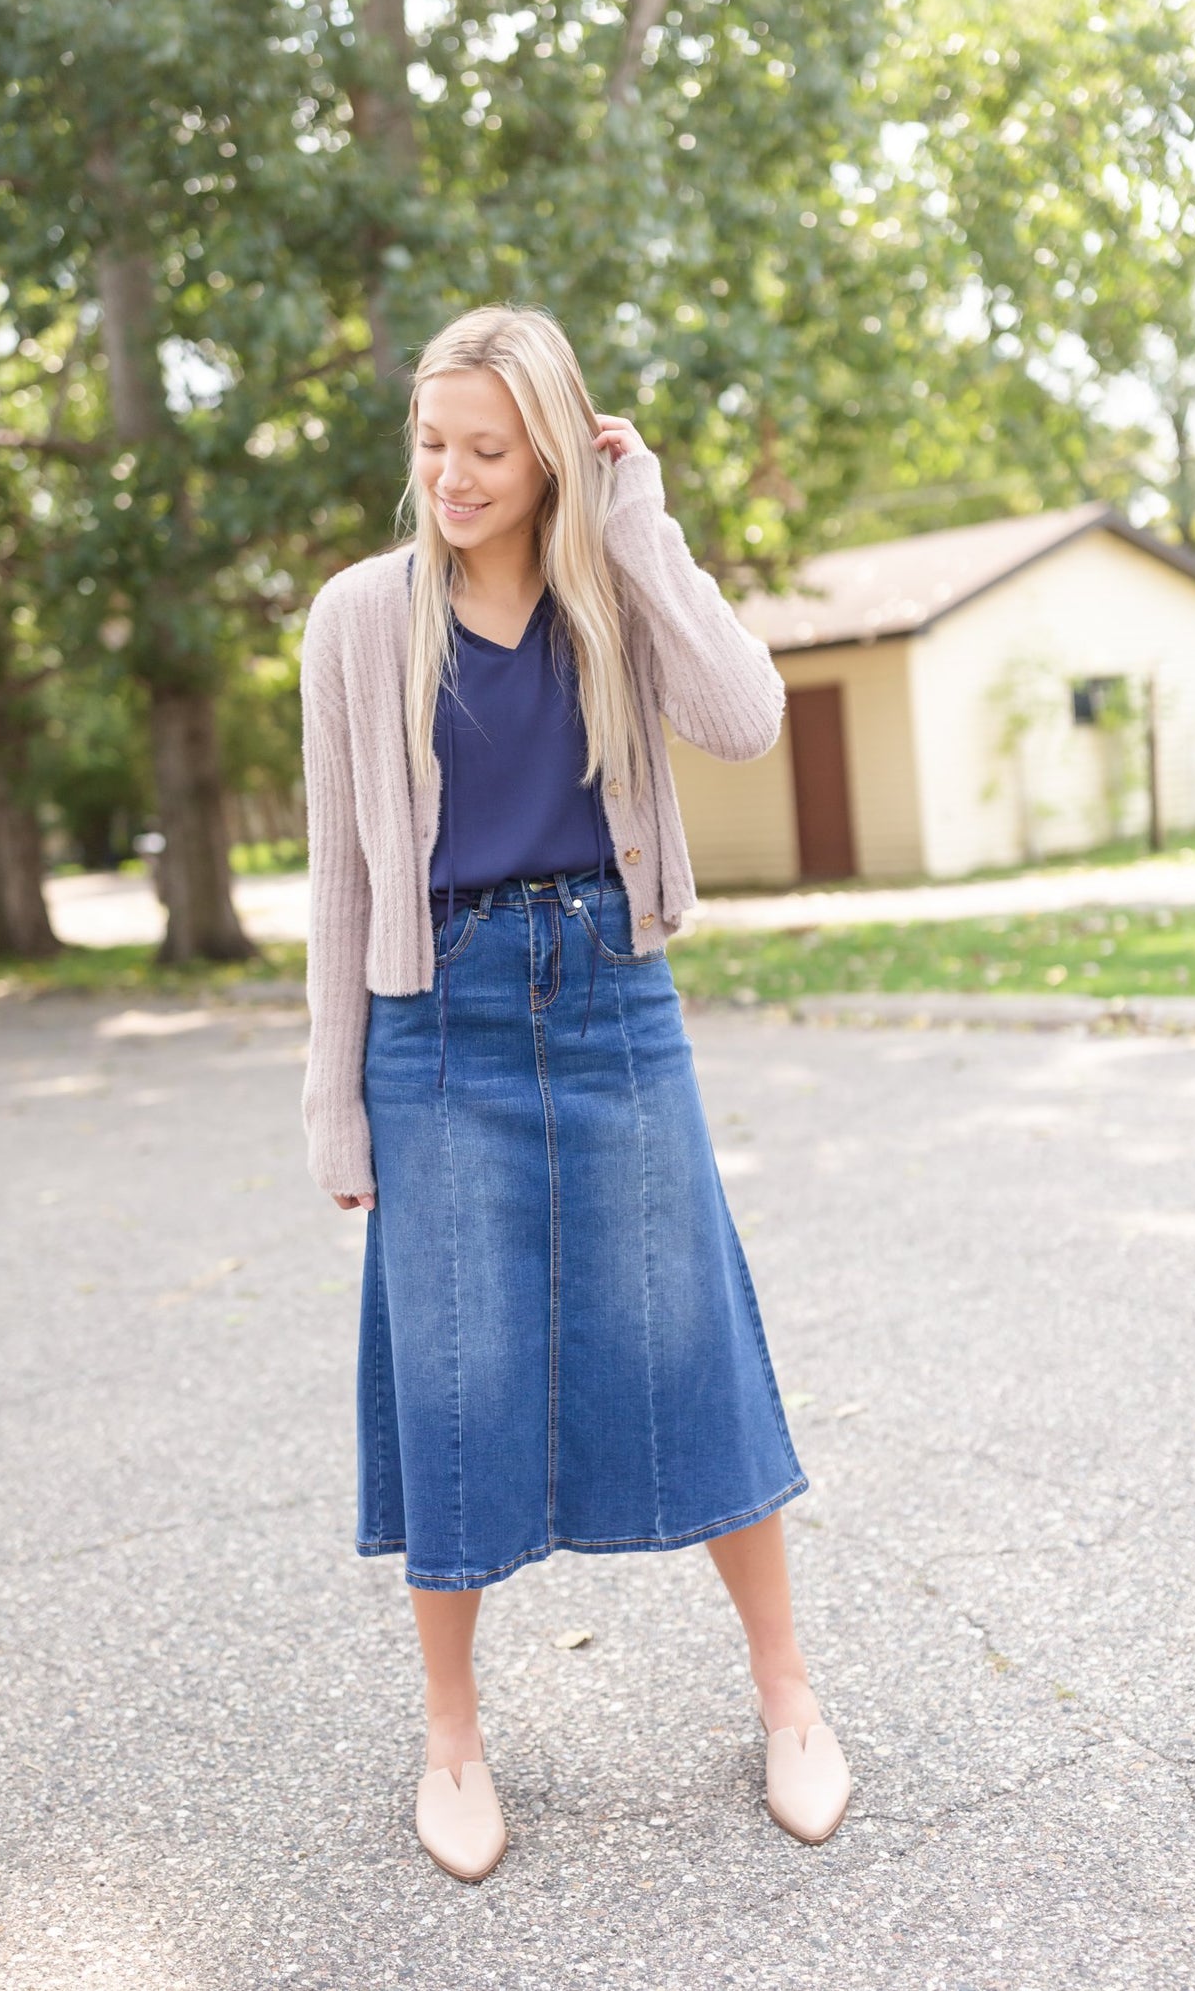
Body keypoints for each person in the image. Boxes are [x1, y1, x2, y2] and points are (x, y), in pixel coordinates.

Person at [299, 303, 851, 1881]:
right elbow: (342, 881)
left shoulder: (612, 593)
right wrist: (336, 1109)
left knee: (692, 1342)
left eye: (487, 449)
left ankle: (790, 1698)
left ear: (548, 452)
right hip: (439, 1027)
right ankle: (454, 1742)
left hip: (612, 998)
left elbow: (744, 719)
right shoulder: (355, 620)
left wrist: (647, 526)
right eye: (432, 445)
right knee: (455, 1376)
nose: (453, 476)